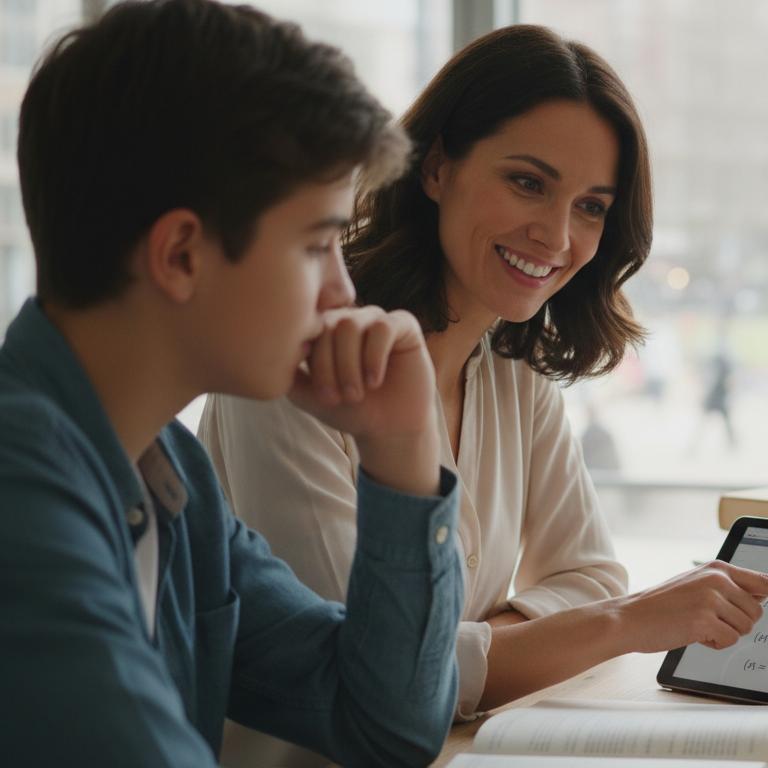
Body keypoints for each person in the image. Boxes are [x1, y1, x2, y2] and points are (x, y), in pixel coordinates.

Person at [198, 24, 768, 764]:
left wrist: (482, 644)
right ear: (436, 168)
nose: (557, 234)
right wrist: (620, 625)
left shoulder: (514, 373)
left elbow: (590, 576)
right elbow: (367, 668)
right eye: (528, 182)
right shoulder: (294, 372)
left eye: (591, 206)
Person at [0, 1, 466, 765]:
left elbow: (389, 727)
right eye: (318, 245)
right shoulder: (19, 481)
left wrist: (404, 451)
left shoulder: (174, 479)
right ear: (181, 254)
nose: (343, 295)